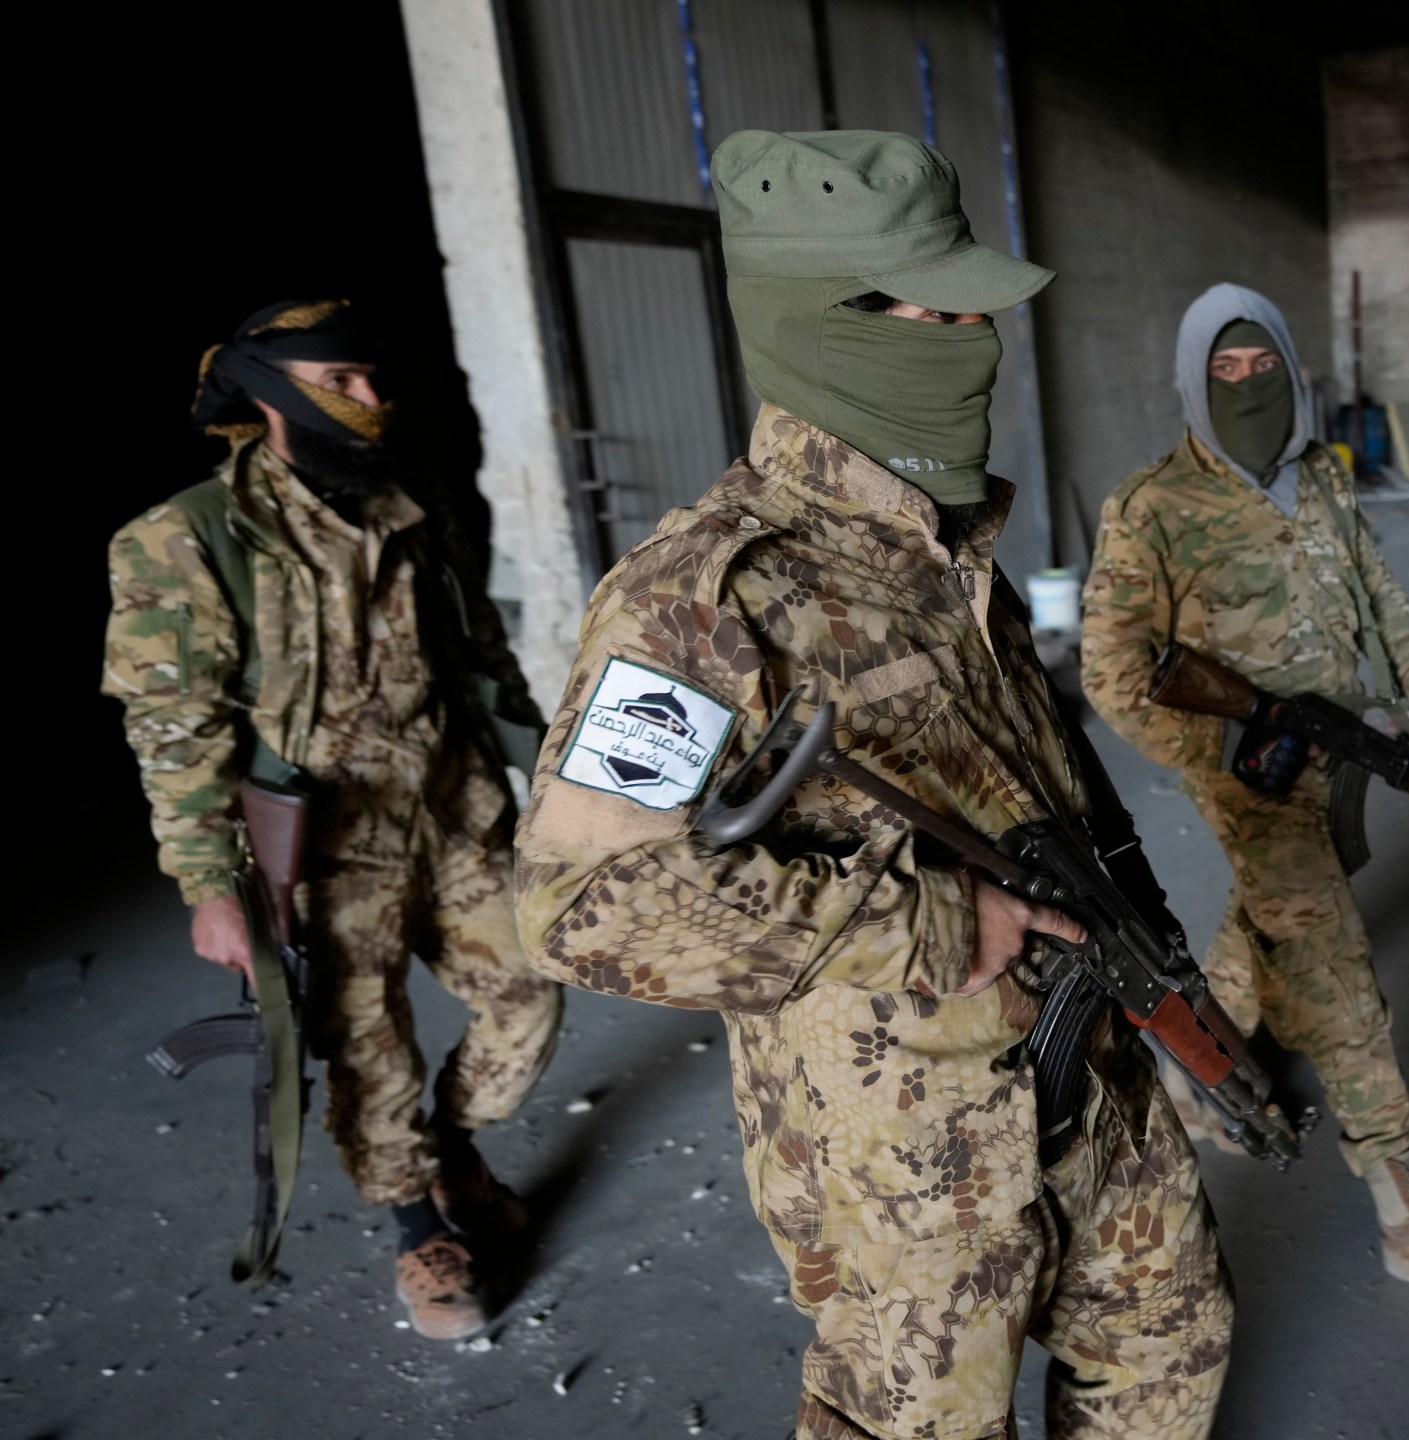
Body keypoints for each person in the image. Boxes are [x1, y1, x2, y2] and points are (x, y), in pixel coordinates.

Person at [513, 130, 1231, 1440]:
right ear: (820, 322)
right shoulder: (706, 589)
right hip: (915, 1146)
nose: (971, 341)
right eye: (933, 311)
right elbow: (582, 907)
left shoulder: (949, 553)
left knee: (1170, 1345)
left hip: (1092, 1055)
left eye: (976, 311)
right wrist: (933, 920)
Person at [103, 300, 562, 1338]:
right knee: (366, 1048)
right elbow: (174, 730)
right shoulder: (185, 541)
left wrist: (552, 781)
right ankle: (419, 1233)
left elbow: (482, 659)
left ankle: (448, 1149)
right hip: (316, 849)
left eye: (373, 380)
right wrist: (210, 886)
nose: (370, 400)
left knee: (530, 989)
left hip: (452, 809)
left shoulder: (415, 505)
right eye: (341, 383)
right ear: (270, 395)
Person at [1079, 284, 1409, 1295]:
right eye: (1224, 373)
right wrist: (1222, 751)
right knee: (1332, 971)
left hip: (1339, 749)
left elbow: (1383, 603)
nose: (1248, 387)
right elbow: (1111, 673)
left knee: (1271, 923)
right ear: (1193, 386)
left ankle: (1187, 1072)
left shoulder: (1321, 481)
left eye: (1264, 369)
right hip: (1247, 772)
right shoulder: (1150, 505)